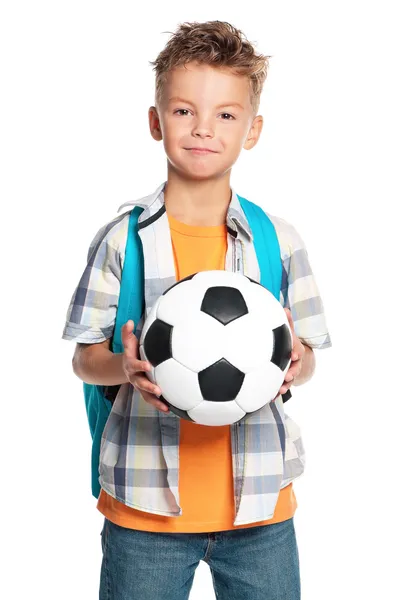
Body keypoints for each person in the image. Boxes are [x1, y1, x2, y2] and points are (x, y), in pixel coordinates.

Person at [62, 20, 332, 600]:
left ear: (252, 130)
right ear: (156, 121)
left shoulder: (277, 242)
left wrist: (295, 364)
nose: (204, 129)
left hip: (260, 507)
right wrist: (124, 367)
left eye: (226, 115)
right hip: (145, 511)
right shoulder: (121, 240)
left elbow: (307, 355)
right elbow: (85, 359)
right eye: (184, 111)